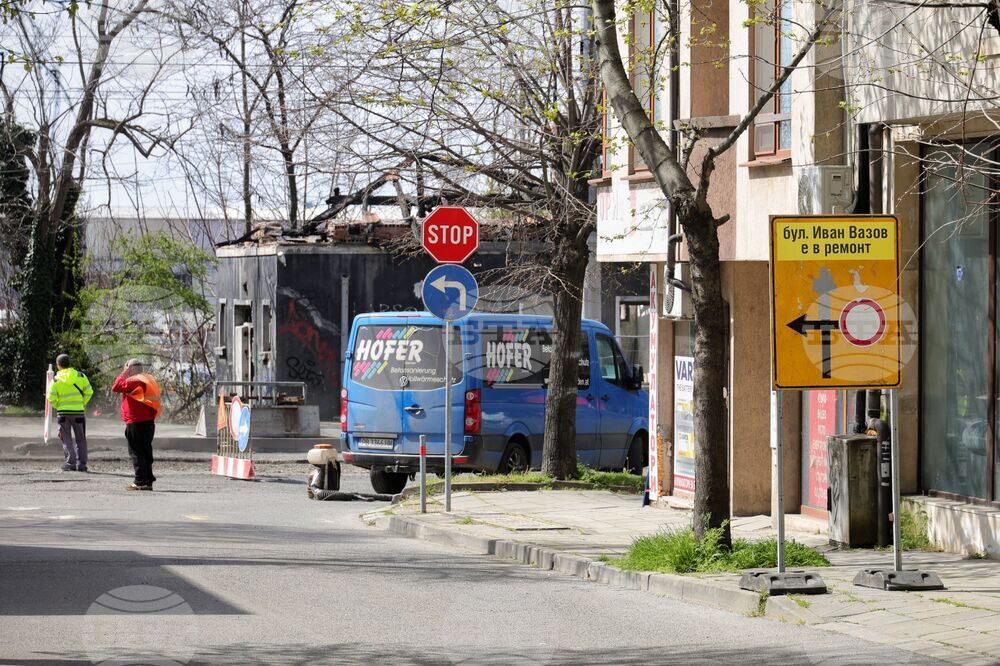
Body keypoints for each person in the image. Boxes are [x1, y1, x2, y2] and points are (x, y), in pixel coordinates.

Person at [111, 358, 161, 491]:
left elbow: (116, 386)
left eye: (127, 368)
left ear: (131, 368)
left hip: (135, 421)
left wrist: (124, 371)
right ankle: (148, 480)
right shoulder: (149, 379)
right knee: (146, 451)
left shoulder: (134, 380)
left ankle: (140, 481)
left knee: (137, 452)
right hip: (148, 421)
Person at [46, 354, 94, 472]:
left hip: (63, 414)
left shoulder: (56, 380)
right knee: (81, 439)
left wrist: (59, 406)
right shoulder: (81, 376)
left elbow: (50, 397)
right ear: (69, 363)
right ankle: (81, 464)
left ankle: (70, 463)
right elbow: (89, 392)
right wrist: (81, 403)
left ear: (58, 365)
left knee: (66, 438)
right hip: (78, 412)